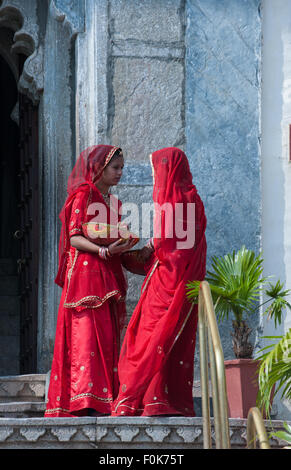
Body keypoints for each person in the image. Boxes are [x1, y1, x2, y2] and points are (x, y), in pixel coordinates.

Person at [112, 147, 207, 417]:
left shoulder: (175, 199)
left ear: (167, 169)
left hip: (166, 280)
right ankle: (162, 400)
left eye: (156, 170)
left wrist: (148, 249)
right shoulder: (194, 198)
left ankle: (135, 399)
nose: (155, 177)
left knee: (147, 338)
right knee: (170, 339)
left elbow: (168, 242)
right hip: (184, 280)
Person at [45, 145, 135, 417]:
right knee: (85, 334)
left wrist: (128, 248)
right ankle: (83, 400)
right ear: (100, 168)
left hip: (106, 274)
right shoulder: (83, 194)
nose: (120, 173)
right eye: (115, 168)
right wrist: (103, 250)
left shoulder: (113, 202)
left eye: (121, 168)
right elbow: (73, 237)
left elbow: (113, 238)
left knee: (105, 335)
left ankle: (102, 399)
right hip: (84, 275)